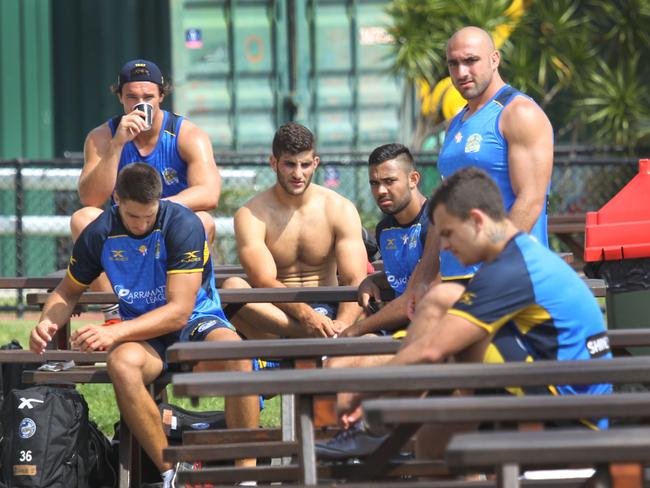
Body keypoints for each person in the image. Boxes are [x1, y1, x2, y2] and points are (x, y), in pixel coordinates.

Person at [335, 167, 611, 459]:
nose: (445, 246)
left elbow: (430, 350)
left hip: (571, 416)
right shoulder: (518, 255)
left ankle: (377, 426)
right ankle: (382, 427)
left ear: (477, 221)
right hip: (560, 390)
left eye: (449, 234)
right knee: (433, 436)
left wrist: (363, 393)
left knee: (445, 332)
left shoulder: (510, 269)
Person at [30, 163, 258, 487]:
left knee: (237, 354)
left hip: (195, 322)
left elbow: (179, 312)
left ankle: (246, 476)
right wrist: (46, 323)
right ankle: (172, 472)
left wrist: (114, 331)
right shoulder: (98, 232)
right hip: (145, 334)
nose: (141, 224)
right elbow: (66, 292)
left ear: (160, 201)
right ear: (116, 200)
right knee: (121, 364)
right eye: (133, 216)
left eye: (148, 217)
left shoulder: (183, 224)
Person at [70, 59, 221, 325]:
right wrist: (117, 145)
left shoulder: (187, 135)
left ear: (162, 96)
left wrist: (155, 209)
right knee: (82, 218)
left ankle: (184, 306)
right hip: (124, 226)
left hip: (170, 227)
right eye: (132, 97)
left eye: (148, 97)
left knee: (203, 221)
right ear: (120, 98)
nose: (141, 104)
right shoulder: (102, 137)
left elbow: (209, 194)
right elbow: (90, 198)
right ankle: (113, 315)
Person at [222, 122, 368, 338]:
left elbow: (354, 279)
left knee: (362, 303)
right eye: (289, 164)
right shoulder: (251, 214)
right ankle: (314, 336)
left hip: (331, 310)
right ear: (274, 163)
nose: (298, 174)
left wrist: (342, 324)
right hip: (279, 316)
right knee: (232, 287)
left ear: (315, 163)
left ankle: (330, 336)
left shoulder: (340, 208)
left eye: (305, 165)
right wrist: (307, 315)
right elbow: (262, 280)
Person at [338, 143, 437, 339]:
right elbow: (404, 276)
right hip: (398, 330)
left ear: (413, 179)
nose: (381, 190)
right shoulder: (384, 229)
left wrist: (353, 330)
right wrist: (372, 279)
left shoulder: (437, 220)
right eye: (374, 183)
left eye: (389, 181)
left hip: (431, 331)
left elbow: (416, 291)